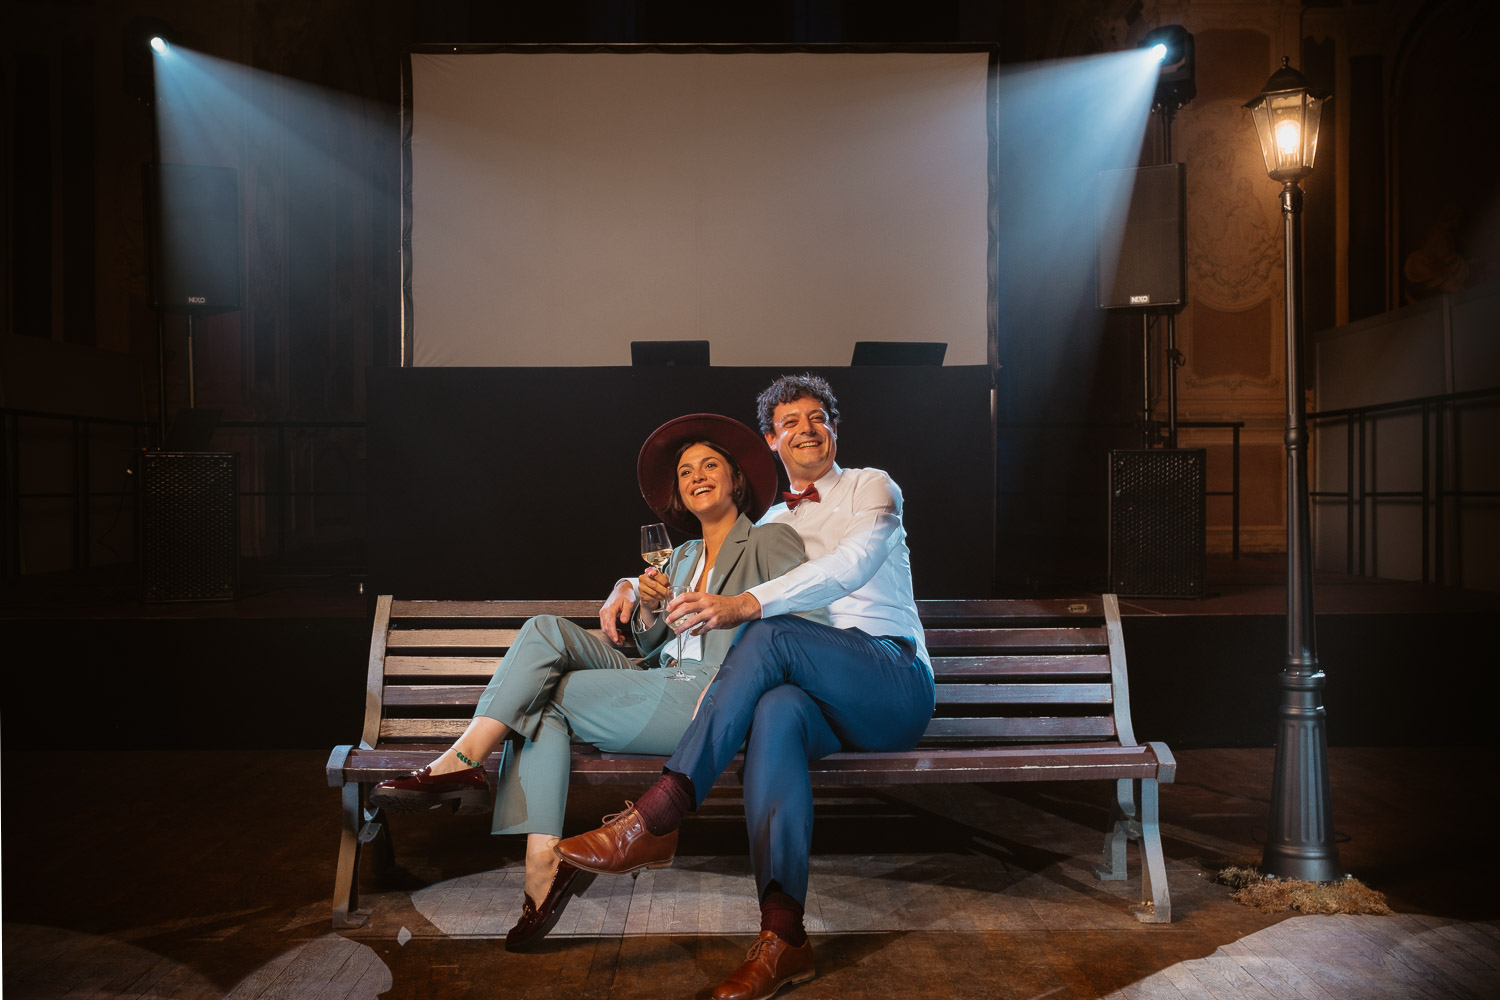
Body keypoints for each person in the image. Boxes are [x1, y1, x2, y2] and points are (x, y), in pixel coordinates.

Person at [369, 413, 826, 951]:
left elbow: (803, 625)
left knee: (542, 700)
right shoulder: (678, 558)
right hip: (661, 677)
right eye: (685, 471)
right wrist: (648, 609)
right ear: (677, 491)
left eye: (710, 466)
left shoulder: (769, 540)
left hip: (712, 697)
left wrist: (735, 678)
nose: (697, 476)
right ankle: (496, 801)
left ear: (736, 480)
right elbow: (654, 647)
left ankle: (519, 836)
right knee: (543, 633)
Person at [564, 374, 936, 1000]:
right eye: (790, 422)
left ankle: (658, 815)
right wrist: (626, 587)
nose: (807, 430)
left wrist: (745, 604)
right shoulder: (764, 525)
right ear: (770, 440)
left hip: (890, 680)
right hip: (819, 700)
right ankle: (782, 935)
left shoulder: (872, 487)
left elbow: (848, 569)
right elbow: (686, 560)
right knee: (776, 710)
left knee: (770, 633)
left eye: (817, 417)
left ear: (834, 428)